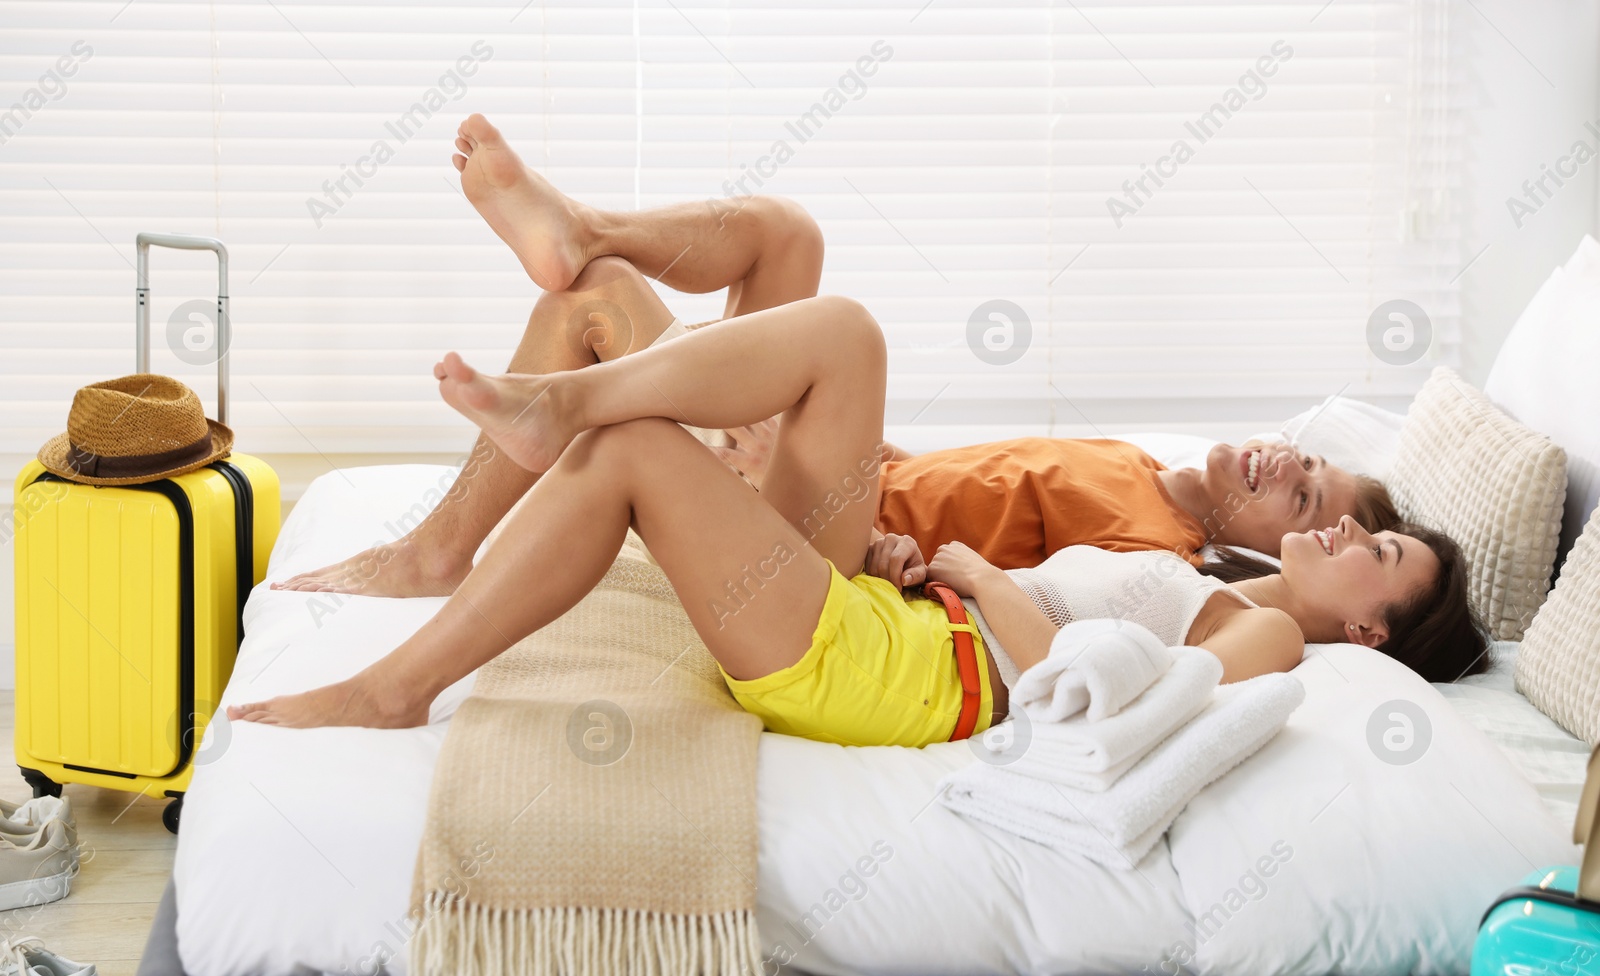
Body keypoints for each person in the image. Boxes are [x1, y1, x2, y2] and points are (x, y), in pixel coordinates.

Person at [228, 289, 1487, 737]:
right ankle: (558, 408)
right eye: (1351, 516)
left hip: (898, 675)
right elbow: (1065, 632)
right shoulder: (1204, 566)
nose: (1334, 530)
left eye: (1370, 547)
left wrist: (973, 584)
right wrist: (917, 566)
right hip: (890, 634)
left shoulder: (1268, 641)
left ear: (1370, 637)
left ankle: (398, 684)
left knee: (645, 443)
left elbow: (1094, 713)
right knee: (810, 342)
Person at [273, 114, 1396, 600]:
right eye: (1304, 460)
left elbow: (1021, 601)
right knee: (786, 233)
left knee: (597, 310)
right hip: (836, 478)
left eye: (1300, 498)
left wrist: (882, 547)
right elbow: (964, 483)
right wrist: (829, 430)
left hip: (825, 543)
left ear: (1262, 552)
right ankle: (579, 223)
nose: (1280, 467)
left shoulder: (1167, 549)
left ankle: (435, 550)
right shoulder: (1143, 464)